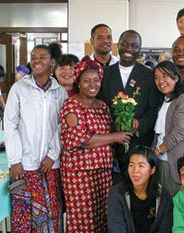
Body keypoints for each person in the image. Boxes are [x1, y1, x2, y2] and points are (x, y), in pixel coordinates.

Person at [60, 56, 131, 232]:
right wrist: (115, 136)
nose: (92, 84)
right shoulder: (72, 105)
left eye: (96, 80)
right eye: (86, 81)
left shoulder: (103, 106)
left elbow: (109, 132)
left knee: (102, 218)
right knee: (83, 221)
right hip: (79, 174)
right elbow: (81, 140)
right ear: (78, 83)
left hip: (103, 172)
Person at [4, 44, 68, 232]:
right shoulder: (19, 88)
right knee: (24, 215)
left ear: (52, 63)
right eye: (33, 57)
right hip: (25, 165)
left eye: (42, 57)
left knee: (51, 213)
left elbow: (61, 127)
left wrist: (52, 155)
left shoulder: (60, 92)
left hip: (50, 166)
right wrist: (15, 160)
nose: (37, 61)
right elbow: (10, 124)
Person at [98, 29, 158, 183]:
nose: (128, 49)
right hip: (110, 145)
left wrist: (140, 124)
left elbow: (153, 109)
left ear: (139, 48)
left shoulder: (148, 75)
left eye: (134, 45)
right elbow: (99, 107)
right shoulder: (105, 74)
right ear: (118, 46)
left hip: (139, 144)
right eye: (124, 44)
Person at [152, 61, 184, 196]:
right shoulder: (164, 100)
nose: (160, 81)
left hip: (180, 162)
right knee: (165, 207)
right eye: (156, 77)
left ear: (176, 78)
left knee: (180, 207)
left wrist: (157, 150)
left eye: (164, 76)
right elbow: (159, 133)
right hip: (162, 161)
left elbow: (179, 132)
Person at [107, 146, 173, 233]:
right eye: (131, 165)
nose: (135, 171)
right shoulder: (117, 193)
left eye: (141, 166)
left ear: (152, 170)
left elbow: (165, 229)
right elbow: (116, 228)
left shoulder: (163, 195)